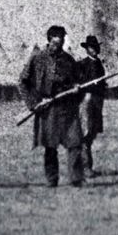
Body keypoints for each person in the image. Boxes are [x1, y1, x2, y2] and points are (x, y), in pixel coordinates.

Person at [19, 26, 85, 187]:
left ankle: (76, 179)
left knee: (75, 143)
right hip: (47, 109)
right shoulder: (37, 58)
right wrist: (33, 104)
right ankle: (52, 178)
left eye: (61, 39)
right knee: (50, 146)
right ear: (49, 39)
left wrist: (77, 88)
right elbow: (23, 82)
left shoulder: (69, 60)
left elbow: (79, 82)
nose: (59, 43)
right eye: (56, 39)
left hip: (68, 108)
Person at [77, 35, 106, 179]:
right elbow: (77, 82)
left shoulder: (99, 64)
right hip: (86, 101)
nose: (94, 50)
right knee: (85, 134)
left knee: (92, 133)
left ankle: (88, 167)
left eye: (96, 47)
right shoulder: (82, 64)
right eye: (91, 47)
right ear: (87, 49)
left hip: (97, 102)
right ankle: (86, 168)